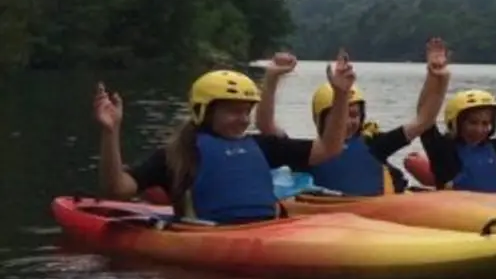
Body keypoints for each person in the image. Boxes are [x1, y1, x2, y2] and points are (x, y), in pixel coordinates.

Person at [94, 53, 357, 224]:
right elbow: (118, 188)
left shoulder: (261, 146)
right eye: (233, 111)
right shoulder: (175, 156)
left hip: (268, 233)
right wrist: (110, 132)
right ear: (204, 111)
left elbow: (329, 149)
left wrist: (341, 95)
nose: (243, 119)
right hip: (208, 237)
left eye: (246, 112)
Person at [253, 40, 450, 196]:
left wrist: (440, 78)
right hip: (332, 217)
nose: (348, 122)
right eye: (340, 114)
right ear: (320, 119)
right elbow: (266, 125)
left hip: (377, 213)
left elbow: (424, 120)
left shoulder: (374, 145)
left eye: (355, 115)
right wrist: (272, 78)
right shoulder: (309, 153)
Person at [418, 25, 496, 192]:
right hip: (460, 207)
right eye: (473, 122)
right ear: (456, 122)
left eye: (485, 123)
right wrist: (434, 76)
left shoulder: (495, 148)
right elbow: (423, 118)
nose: (480, 129)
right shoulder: (443, 150)